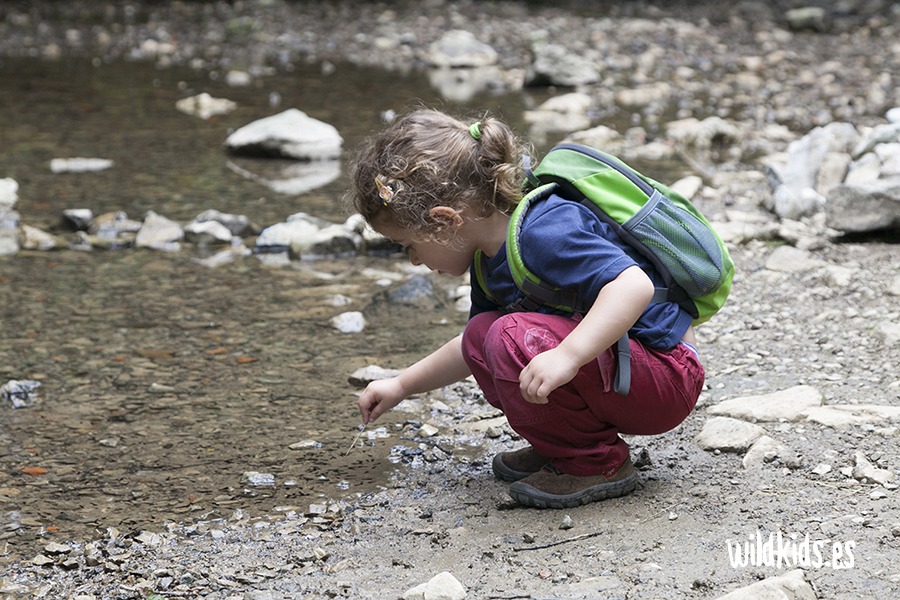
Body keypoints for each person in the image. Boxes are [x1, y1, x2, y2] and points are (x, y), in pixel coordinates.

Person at [346, 108, 705, 509]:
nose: (413, 260)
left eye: (409, 245)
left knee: (508, 335)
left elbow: (633, 285)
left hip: (667, 375)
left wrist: (568, 356)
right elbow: (470, 346)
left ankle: (596, 462)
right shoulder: (488, 261)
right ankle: (565, 445)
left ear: (443, 222)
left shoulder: (545, 230)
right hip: (624, 372)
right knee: (484, 334)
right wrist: (401, 385)